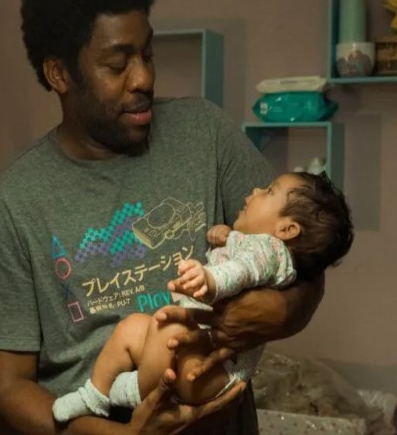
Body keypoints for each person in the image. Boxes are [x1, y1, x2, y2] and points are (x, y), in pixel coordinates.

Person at [0, 0, 326, 434]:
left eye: (148, 54)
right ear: (58, 74)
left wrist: (280, 310)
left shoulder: (205, 133)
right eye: (117, 64)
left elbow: (305, 258)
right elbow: (4, 395)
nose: (143, 78)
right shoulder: (13, 203)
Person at [53, 171, 354, 422]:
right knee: (132, 327)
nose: (255, 191)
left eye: (268, 191)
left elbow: (243, 269)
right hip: (196, 354)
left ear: (287, 229)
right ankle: (94, 396)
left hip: (213, 371)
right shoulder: (261, 248)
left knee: (167, 330)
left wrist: (210, 280)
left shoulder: (270, 250)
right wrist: (226, 235)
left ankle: (131, 391)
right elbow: (244, 255)